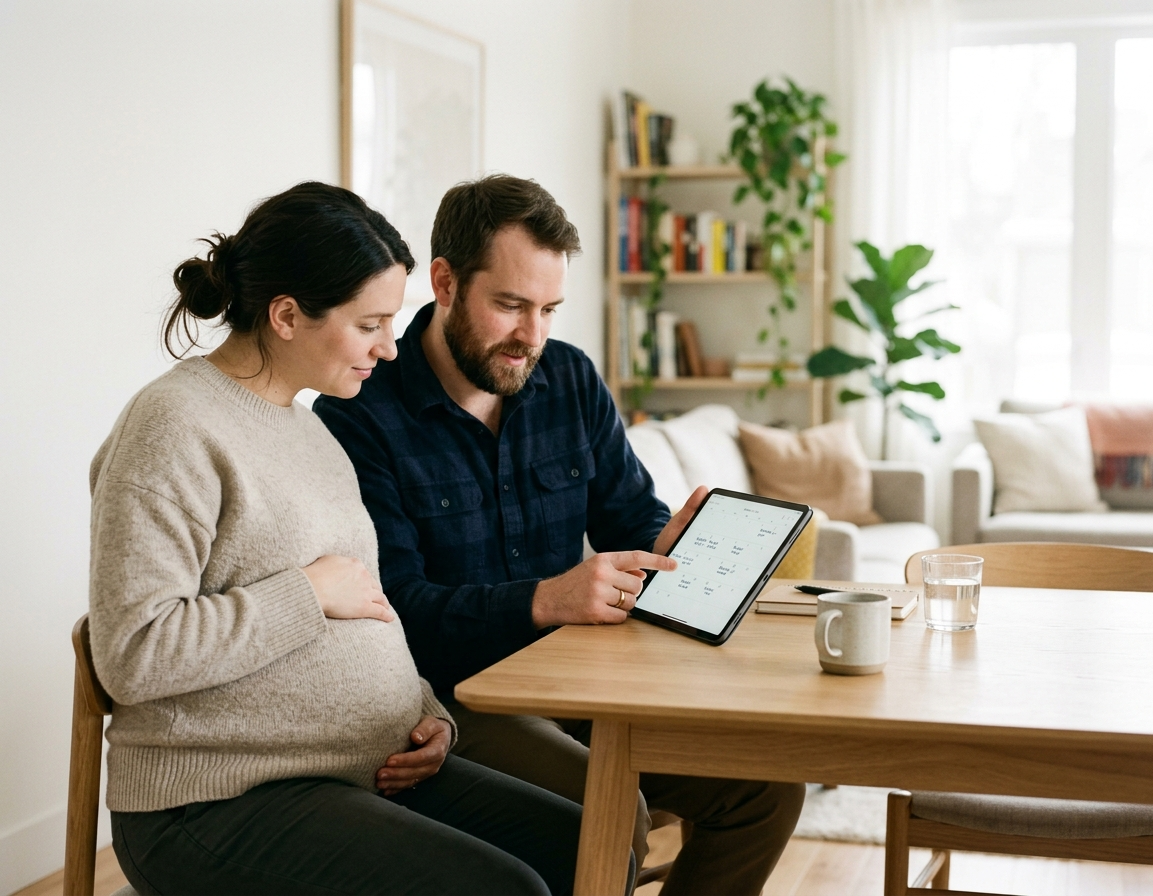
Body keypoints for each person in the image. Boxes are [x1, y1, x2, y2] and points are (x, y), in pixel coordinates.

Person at [89, 181, 595, 896]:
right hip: (215, 799)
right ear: (288, 315)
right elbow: (133, 654)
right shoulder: (172, 426)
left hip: (357, 771)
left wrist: (428, 715)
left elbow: (370, 613)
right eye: (370, 325)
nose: (390, 349)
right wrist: (307, 593)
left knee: (587, 844)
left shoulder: (313, 432)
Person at [314, 174, 806, 896]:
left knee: (764, 787)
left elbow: (630, 519)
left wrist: (669, 544)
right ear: (445, 282)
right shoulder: (361, 411)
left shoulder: (569, 378)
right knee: (610, 809)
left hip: (586, 682)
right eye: (510, 305)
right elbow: (401, 610)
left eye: (548, 309)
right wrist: (545, 600)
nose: (532, 336)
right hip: (460, 702)